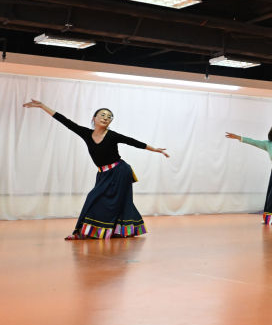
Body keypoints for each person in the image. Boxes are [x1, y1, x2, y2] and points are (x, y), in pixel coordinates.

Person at [22, 99, 169, 240]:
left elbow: (133, 142)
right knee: (96, 199)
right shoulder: (86, 133)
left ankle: (89, 232)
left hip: (120, 171)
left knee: (117, 201)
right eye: (103, 115)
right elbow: (65, 121)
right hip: (103, 174)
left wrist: (155, 149)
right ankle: (92, 231)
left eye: (109, 117)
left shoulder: (112, 136)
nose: (106, 118)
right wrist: (42, 106)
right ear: (94, 118)